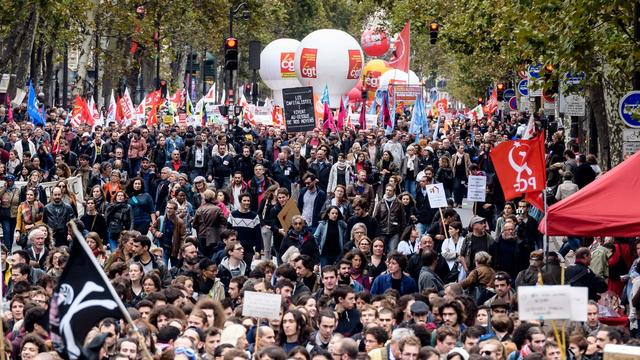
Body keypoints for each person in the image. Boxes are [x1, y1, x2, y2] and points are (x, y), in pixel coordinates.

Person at [227, 192, 262, 264]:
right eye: (244, 201)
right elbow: (228, 232)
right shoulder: (233, 215)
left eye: (248, 201)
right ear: (240, 202)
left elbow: (258, 234)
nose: (247, 203)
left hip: (249, 249)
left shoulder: (254, 216)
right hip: (235, 248)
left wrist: (258, 250)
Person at [150, 199, 187, 266]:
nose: (168, 210)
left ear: (175, 210)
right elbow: (152, 228)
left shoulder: (179, 222)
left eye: (171, 208)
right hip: (163, 248)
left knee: (175, 269)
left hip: (174, 249)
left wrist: (181, 250)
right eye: (167, 208)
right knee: (163, 266)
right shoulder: (161, 219)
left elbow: (183, 237)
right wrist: (156, 233)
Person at [193, 189, 227, 258]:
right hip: (214, 235)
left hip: (202, 235)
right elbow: (224, 222)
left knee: (202, 256)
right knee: (213, 255)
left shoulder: (199, 209)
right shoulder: (217, 209)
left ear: (204, 198)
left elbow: (194, 224)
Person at [373, 184, 405, 253]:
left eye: (390, 190)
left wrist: (402, 233)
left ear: (394, 192)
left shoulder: (399, 203)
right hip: (382, 231)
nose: (388, 192)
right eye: (387, 190)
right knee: (382, 251)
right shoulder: (380, 203)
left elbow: (402, 219)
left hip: (394, 232)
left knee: (392, 251)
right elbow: (375, 218)